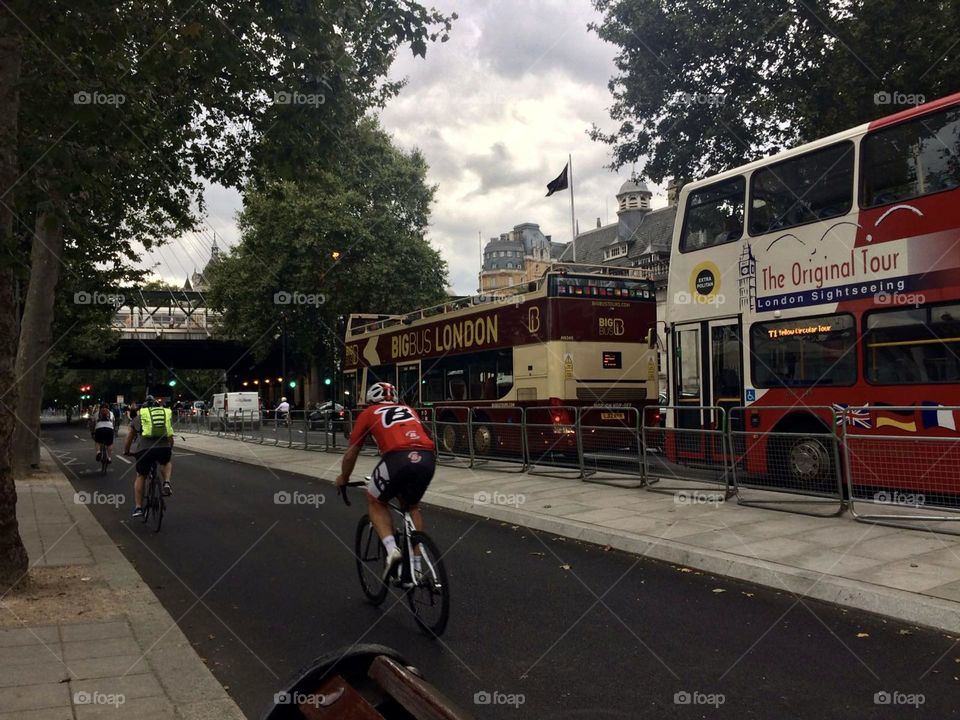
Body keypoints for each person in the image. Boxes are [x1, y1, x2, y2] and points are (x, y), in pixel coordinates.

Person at [335, 382, 436, 576]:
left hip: (397, 458)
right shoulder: (408, 409)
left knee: (375, 500)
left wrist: (343, 477)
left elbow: (351, 453)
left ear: (371, 400)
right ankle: (416, 566)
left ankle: (392, 551)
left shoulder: (369, 412)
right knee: (412, 506)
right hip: (427, 457)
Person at [123, 395, 175, 518]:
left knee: (141, 476)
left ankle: (139, 508)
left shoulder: (138, 418)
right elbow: (170, 435)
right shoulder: (163, 416)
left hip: (144, 450)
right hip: (164, 448)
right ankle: (166, 482)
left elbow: (130, 437)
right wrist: (169, 448)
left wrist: (126, 451)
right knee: (166, 462)